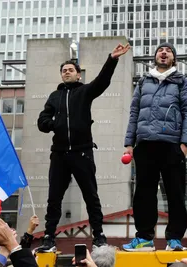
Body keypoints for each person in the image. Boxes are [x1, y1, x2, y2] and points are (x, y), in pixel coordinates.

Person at [37, 43, 131, 251]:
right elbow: (42, 122)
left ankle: (98, 237)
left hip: (82, 151)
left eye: (70, 70)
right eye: (64, 71)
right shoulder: (55, 97)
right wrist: (56, 124)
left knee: (91, 195)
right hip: (59, 154)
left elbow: (102, 81)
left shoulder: (85, 92)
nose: (67, 72)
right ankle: (49, 238)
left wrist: (112, 59)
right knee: (54, 198)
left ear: (78, 75)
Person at [123, 42, 187, 251]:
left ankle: (174, 239)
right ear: (155, 57)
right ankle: (144, 237)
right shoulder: (143, 83)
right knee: (144, 193)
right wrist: (129, 143)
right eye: (160, 51)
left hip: (172, 145)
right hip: (145, 144)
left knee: (175, 193)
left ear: (173, 59)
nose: (164, 53)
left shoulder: (183, 83)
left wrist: (184, 143)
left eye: (169, 51)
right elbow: (134, 113)